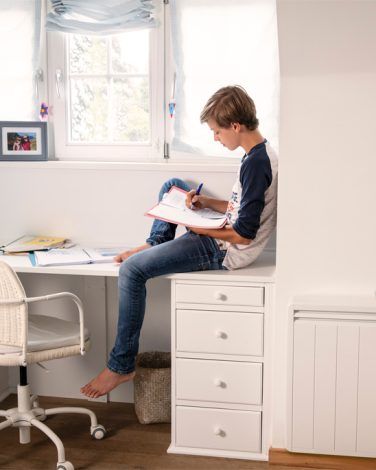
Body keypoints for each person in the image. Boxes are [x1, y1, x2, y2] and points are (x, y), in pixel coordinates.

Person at [81, 85, 278, 398]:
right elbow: (239, 208)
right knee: (173, 186)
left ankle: (121, 365)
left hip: (226, 250)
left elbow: (244, 234)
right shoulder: (259, 153)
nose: (215, 138)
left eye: (216, 132)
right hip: (220, 233)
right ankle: (154, 244)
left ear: (235, 126)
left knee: (131, 272)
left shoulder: (256, 164)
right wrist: (204, 203)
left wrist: (200, 230)